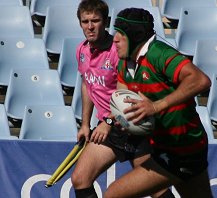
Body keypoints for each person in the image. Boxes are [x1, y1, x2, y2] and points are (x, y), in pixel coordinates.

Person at [104, 8, 213, 198]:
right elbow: (122, 98)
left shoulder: (159, 54)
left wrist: (155, 106)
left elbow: (201, 80)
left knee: (113, 195)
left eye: (121, 33)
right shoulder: (125, 61)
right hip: (165, 146)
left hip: (183, 147)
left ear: (135, 36)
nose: (114, 39)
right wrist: (119, 118)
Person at [71, 1, 175, 198]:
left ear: (106, 21)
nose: (90, 26)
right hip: (110, 127)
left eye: (96, 20)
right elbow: (87, 84)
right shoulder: (81, 51)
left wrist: (108, 122)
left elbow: (130, 91)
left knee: (156, 189)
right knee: (80, 179)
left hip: (132, 124)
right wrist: (85, 124)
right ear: (80, 23)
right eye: (85, 21)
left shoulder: (119, 52)